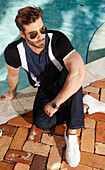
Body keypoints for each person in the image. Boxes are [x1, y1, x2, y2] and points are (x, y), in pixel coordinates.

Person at [0, 6, 86, 167]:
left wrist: (55, 103)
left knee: (73, 78)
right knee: (42, 122)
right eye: (33, 34)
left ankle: (72, 133)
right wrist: (12, 93)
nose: (40, 37)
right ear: (23, 34)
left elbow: (79, 72)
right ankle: (82, 105)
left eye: (42, 30)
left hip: (64, 80)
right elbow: (12, 75)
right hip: (45, 87)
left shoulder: (57, 40)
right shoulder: (14, 52)